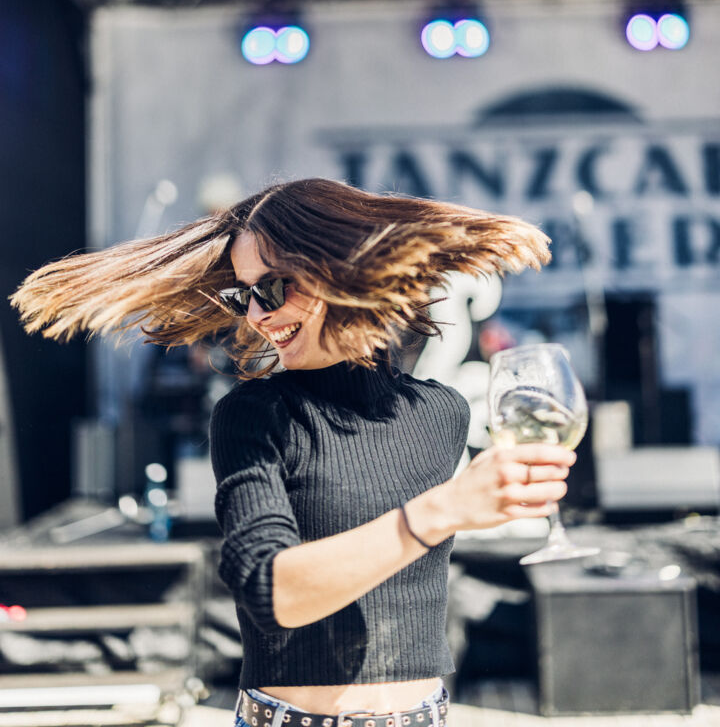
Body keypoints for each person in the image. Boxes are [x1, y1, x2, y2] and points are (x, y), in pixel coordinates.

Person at [12, 177, 575, 726]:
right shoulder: (254, 414)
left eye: (273, 288)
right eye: (242, 294)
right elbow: (271, 591)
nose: (255, 314)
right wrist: (446, 509)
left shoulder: (442, 412)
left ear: (334, 272)